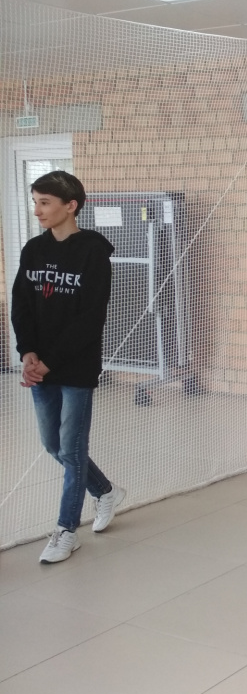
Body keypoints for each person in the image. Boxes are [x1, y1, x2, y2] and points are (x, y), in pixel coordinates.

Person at [11, 171, 126, 564]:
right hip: (39, 365)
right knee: (53, 444)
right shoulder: (33, 249)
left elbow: (90, 319)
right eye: (35, 202)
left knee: (73, 449)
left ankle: (66, 530)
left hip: (75, 365)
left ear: (70, 205)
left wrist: (50, 362)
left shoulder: (93, 253)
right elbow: (22, 305)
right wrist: (28, 353)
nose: (38, 210)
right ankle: (105, 491)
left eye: (45, 202)